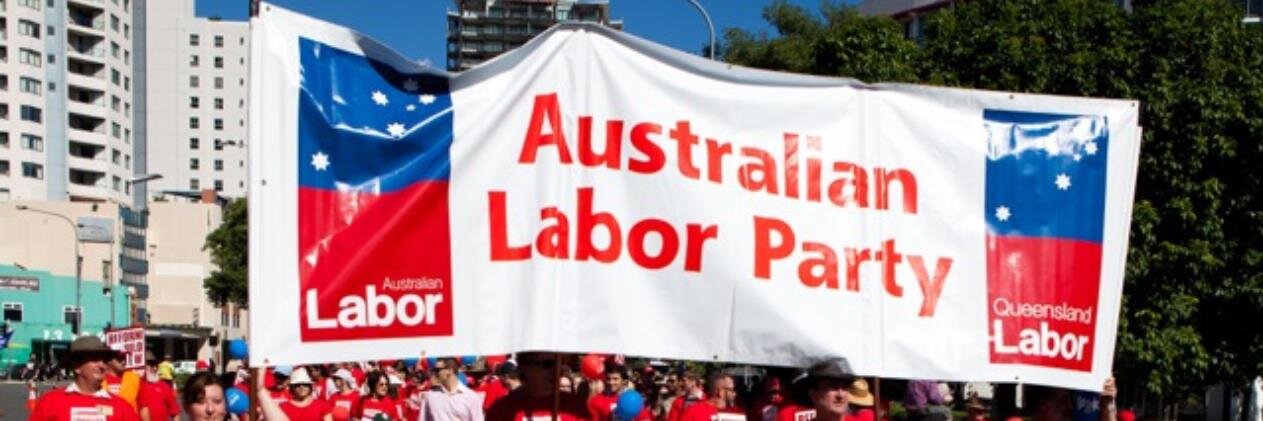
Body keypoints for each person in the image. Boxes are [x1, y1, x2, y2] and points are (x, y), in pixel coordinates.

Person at [29, 336, 140, 421]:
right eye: (95, 359)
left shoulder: (122, 406)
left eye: (104, 360)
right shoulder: (50, 402)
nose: (102, 365)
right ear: (77, 367)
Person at [486, 352, 591, 421]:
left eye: (561, 362)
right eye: (547, 364)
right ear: (525, 367)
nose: (557, 370)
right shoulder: (502, 410)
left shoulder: (577, 408)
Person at [420, 357, 485, 421]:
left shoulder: (471, 397)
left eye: (437, 370)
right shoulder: (430, 396)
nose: (434, 374)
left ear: (449, 370)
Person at [679, 372, 743, 421]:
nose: (734, 394)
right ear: (721, 392)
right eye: (731, 390)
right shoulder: (693, 412)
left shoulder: (737, 413)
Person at [138, 351, 181, 421]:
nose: (155, 368)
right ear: (144, 366)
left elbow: (175, 411)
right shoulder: (137, 384)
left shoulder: (164, 386)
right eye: (152, 365)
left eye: (156, 365)